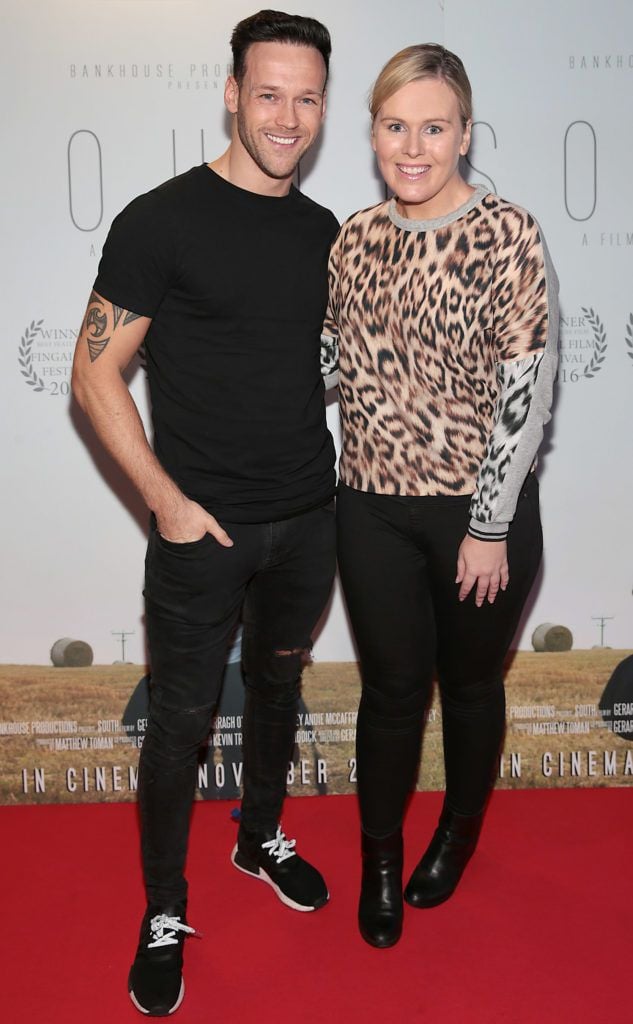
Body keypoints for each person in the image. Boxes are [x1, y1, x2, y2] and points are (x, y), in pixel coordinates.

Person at [72, 10, 338, 1016]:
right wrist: (168, 504)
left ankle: (259, 834)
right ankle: (164, 910)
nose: (286, 115)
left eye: (305, 97)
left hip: (310, 518)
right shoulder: (160, 219)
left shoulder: (324, 233)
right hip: (201, 533)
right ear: (232, 93)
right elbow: (93, 375)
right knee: (179, 726)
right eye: (268, 92)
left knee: (278, 685)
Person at [324, 43, 559, 948]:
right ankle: (380, 857)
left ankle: (457, 835)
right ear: (373, 131)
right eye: (394, 126)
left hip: (477, 514)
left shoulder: (508, 232)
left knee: (465, 685)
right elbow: (327, 364)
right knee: (389, 691)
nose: (412, 147)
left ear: (464, 131)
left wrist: (490, 525)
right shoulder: (352, 238)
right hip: (371, 505)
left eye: (432, 126)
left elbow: (526, 388)